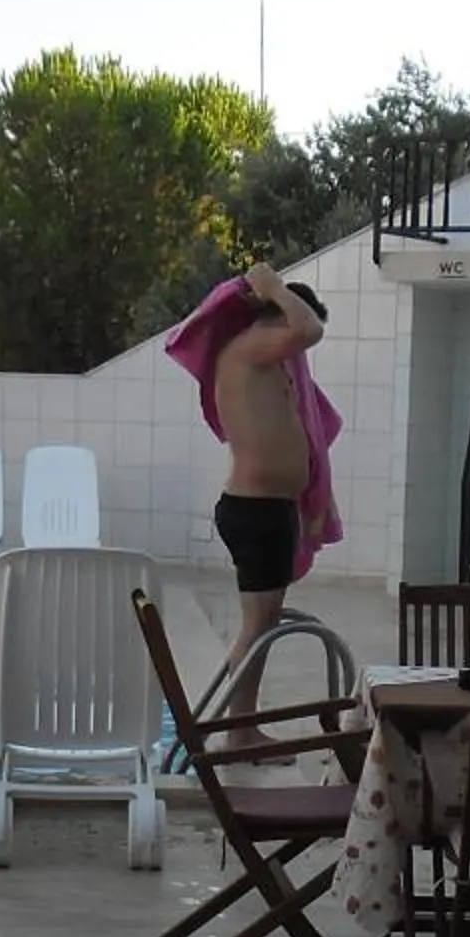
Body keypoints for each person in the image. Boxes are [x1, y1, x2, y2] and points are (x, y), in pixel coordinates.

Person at [205, 264, 328, 735]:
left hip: (270, 508)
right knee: (258, 627)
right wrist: (275, 287)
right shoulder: (249, 349)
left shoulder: (266, 359)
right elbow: (309, 329)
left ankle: (243, 724)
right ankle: (239, 729)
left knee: (265, 625)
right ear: (278, 314)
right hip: (254, 509)